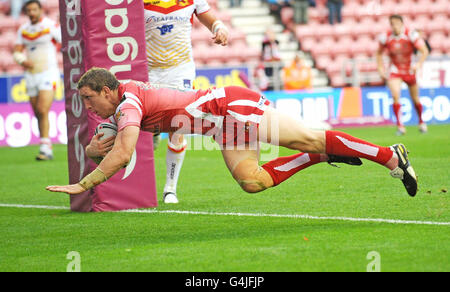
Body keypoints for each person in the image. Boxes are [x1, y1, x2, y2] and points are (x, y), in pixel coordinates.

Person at [46, 67, 418, 199]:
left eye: (89, 98)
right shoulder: (121, 100)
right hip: (220, 127)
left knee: (310, 135)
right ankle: (323, 156)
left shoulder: (127, 105)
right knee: (252, 182)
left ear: (107, 91)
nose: (88, 107)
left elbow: (124, 154)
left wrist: (84, 183)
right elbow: (107, 148)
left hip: (229, 107)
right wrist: (95, 150)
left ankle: (390, 155)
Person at [143, 0, 229, 203]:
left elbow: (212, 20)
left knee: (178, 125)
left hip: (180, 71)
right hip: (148, 71)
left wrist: (220, 28)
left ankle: (170, 189)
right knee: (143, 124)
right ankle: (153, 128)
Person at [13, 0, 61, 160]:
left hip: (48, 72)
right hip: (31, 74)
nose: (31, 13)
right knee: (37, 113)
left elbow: (63, 41)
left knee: (42, 109)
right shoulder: (23, 29)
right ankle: (45, 145)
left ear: (40, 10)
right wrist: (21, 60)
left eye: (34, 9)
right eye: (29, 10)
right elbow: (17, 51)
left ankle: (45, 147)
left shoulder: (50, 25)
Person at [376, 15, 429, 135]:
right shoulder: (386, 37)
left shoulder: (411, 34)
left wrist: (418, 64)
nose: (394, 26)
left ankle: (421, 122)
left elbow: (424, 51)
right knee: (395, 96)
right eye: (392, 24)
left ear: (401, 23)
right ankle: (400, 126)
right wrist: (380, 68)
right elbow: (378, 53)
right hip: (395, 70)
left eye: (396, 23)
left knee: (415, 99)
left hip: (409, 69)